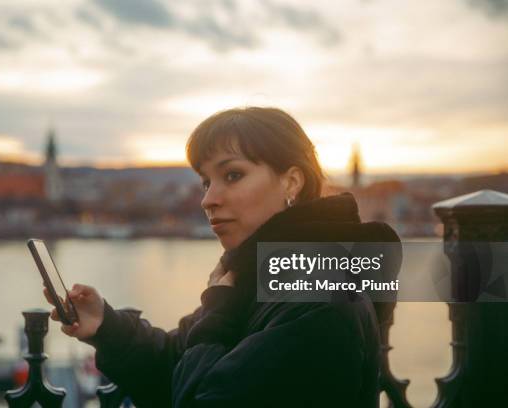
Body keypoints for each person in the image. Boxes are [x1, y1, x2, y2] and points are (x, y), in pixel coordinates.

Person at [44, 107, 400, 407]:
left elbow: (197, 394)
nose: (208, 200)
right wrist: (106, 326)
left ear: (292, 182)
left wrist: (220, 307)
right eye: (205, 182)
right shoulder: (261, 275)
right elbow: (179, 362)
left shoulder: (318, 302)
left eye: (232, 175)